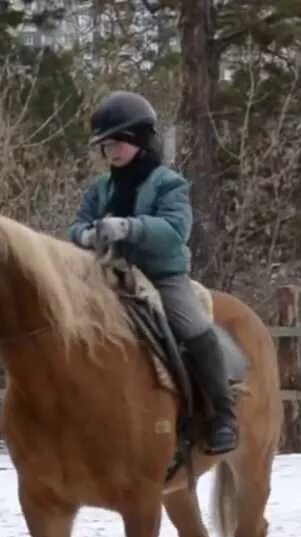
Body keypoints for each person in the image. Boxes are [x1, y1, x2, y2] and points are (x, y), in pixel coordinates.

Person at [65, 90, 238, 455]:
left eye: (118, 143)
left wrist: (130, 228)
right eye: (106, 145)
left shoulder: (169, 183)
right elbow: (75, 226)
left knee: (194, 327)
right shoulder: (100, 189)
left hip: (162, 278)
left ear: (140, 141)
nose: (111, 152)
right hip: (108, 276)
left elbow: (176, 230)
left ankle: (222, 415)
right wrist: (86, 234)